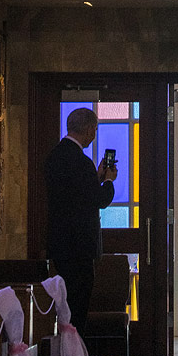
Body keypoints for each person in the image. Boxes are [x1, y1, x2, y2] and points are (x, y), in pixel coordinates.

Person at [44, 107, 118, 334]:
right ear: (87, 129)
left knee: (63, 306)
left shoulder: (53, 157)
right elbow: (98, 200)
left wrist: (94, 178)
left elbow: (73, 196)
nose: (94, 135)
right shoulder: (81, 162)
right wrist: (107, 180)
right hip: (81, 247)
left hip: (58, 244)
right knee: (78, 306)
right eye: (94, 129)